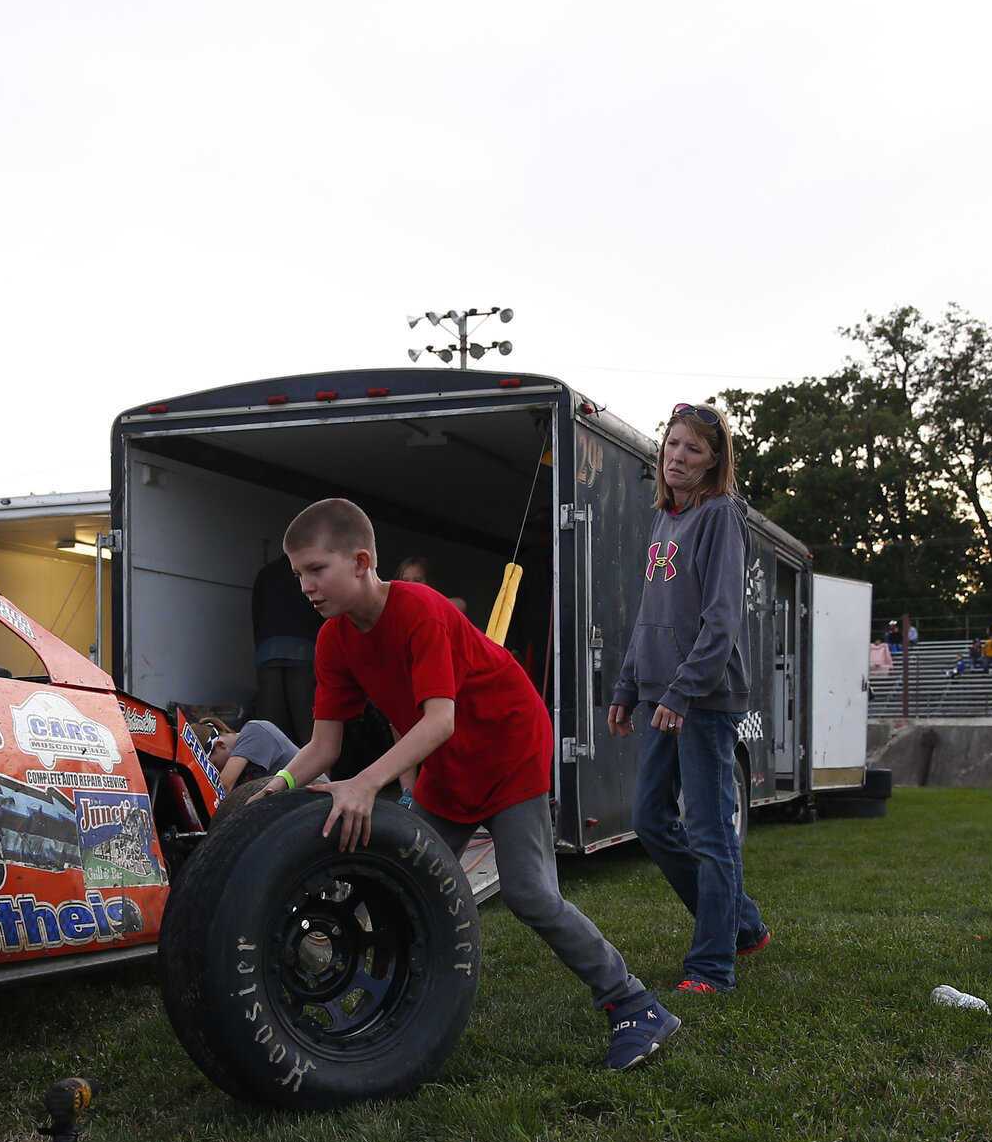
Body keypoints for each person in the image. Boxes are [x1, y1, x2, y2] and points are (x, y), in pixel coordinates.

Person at [266, 497, 676, 1071]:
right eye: (297, 574)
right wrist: (278, 785)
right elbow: (323, 746)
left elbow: (439, 718)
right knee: (402, 883)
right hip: (449, 762)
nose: (306, 585)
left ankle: (634, 1003)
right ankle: (394, 1013)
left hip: (508, 745)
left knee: (530, 895)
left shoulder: (420, 611)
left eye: (316, 569)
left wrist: (364, 784)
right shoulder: (334, 640)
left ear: (361, 562)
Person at [609, 403, 768, 996]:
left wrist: (680, 691)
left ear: (714, 461)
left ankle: (712, 967)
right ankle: (742, 925)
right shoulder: (665, 520)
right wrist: (629, 687)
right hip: (660, 696)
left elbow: (721, 621)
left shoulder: (721, 517)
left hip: (703, 699)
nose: (677, 457)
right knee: (652, 821)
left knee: (708, 833)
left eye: (692, 450)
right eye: (672, 445)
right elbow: (651, 616)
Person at [251, 552, 321, 743]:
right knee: (310, 730)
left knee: (270, 729)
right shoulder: (310, 575)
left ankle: (269, 772)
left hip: (268, 653)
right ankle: (318, 773)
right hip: (305, 653)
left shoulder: (266, 573)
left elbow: (256, 613)